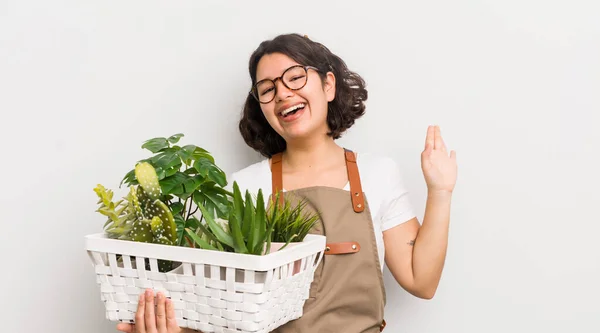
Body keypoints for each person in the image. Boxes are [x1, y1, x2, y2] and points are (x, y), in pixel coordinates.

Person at [117, 33, 457, 333]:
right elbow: (220, 312)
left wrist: (440, 191)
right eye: (268, 89)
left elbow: (421, 280)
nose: (282, 93)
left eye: (295, 77)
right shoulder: (244, 188)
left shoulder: (378, 174)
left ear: (328, 85)